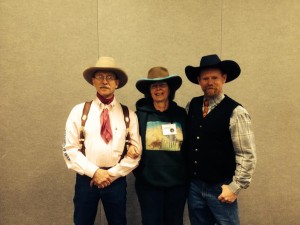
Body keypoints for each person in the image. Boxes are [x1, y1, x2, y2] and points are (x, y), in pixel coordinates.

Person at [62, 56, 142, 225]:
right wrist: (95, 172)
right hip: (86, 180)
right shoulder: (79, 111)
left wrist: (110, 175)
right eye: (100, 77)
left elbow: (136, 153)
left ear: (117, 83)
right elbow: (69, 150)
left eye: (110, 77)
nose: (104, 81)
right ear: (93, 81)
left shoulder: (129, 115)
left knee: (118, 222)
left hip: (116, 181)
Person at [185, 54, 257, 225]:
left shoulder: (236, 112)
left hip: (220, 187)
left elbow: (246, 155)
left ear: (223, 79)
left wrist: (235, 187)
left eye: (214, 77)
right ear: (199, 81)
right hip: (194, 186)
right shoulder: (192, 105)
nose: (210, 82)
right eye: (205, 78)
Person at [133, 66, 188, 225]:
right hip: (149, 185)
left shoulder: (180, 114)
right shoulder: (139, 115)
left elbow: (187, 147)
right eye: (154, 86)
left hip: (177, 185)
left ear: (169, 89)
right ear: (148, 91)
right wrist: (142, 174)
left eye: (162, 85)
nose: (158, 89)